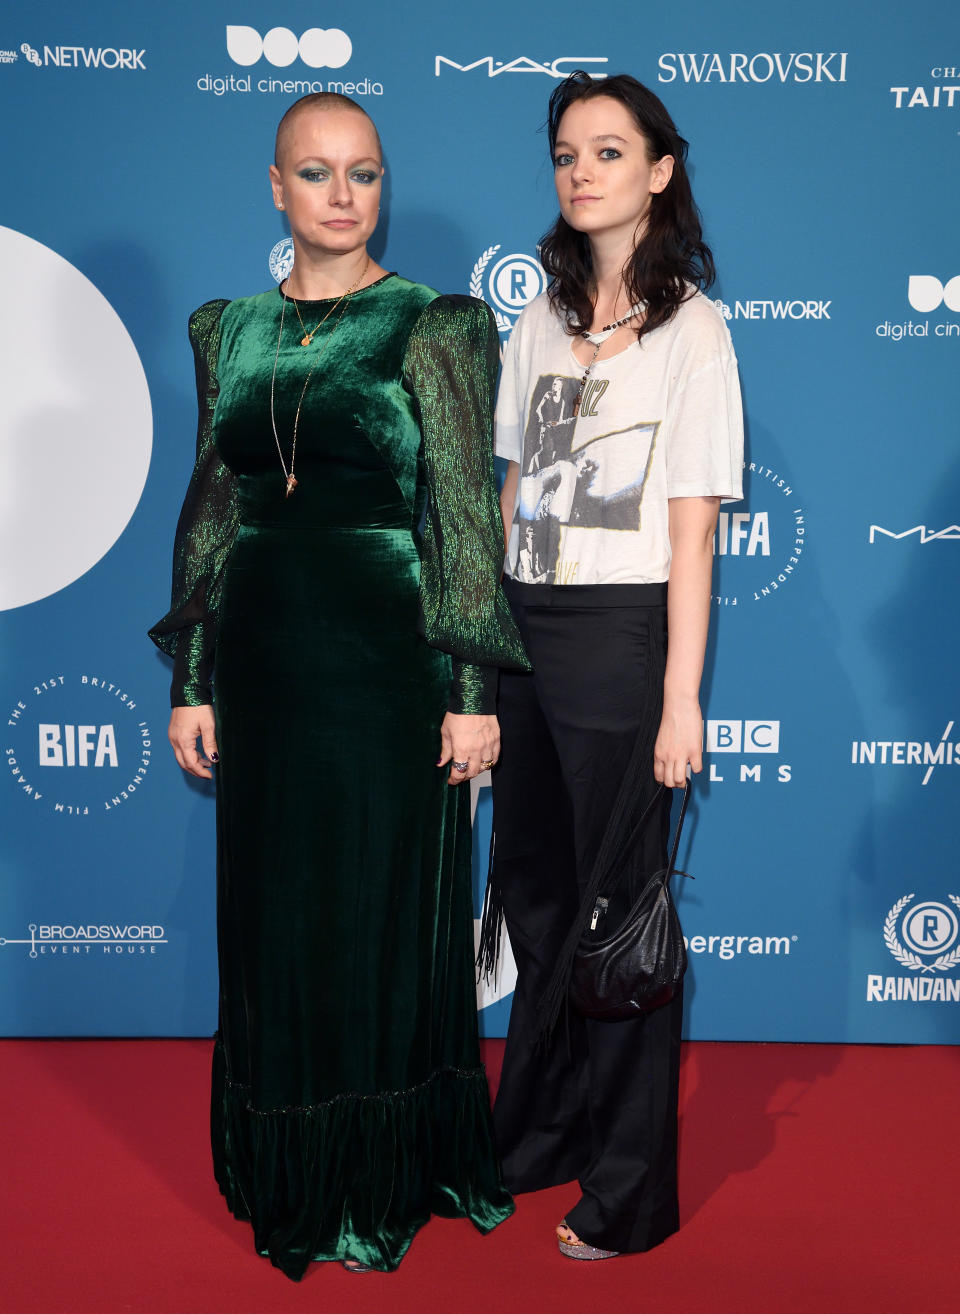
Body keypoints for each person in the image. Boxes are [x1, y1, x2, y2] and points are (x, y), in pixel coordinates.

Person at [149, 92, 528, 1278]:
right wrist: (194, 676)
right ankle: (282, 1164)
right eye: (317, 174)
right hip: (265, 668)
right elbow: (212, 510)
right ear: (277, 188)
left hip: (390, 665)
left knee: (380, 910)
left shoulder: (437, 325)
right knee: (278, 918)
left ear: (382, 186)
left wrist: (472, 693)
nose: (343, 195)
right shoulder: (228, 329)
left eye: (363, 173)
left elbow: (465, 519)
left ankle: (382, 1173)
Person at [484, 71, 743, 1260]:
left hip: (622, 637)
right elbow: (505, 494)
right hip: (522, 637)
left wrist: (680, 694)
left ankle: (631, 1193)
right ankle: (541, 1135)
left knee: (620, 922)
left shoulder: (695, 327)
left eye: (607, 150)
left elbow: (692, 524)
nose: (580, 171)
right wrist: (480, 659)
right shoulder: (536, 315)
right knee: (534, 900)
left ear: (659, 171)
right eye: (565, 153)